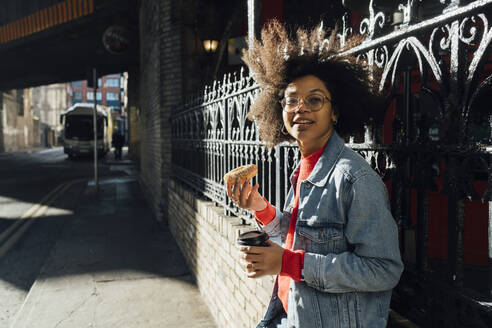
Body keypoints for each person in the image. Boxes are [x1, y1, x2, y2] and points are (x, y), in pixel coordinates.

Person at [225, 20, 403, 328]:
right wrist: (262, 210)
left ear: (335, 111)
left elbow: (383, 269)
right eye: (291, 100)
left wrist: (288, 263)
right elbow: (304, 240)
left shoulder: (354, 179)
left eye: (315, 100)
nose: (301, 108)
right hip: (287, 314)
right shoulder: (304, 168)